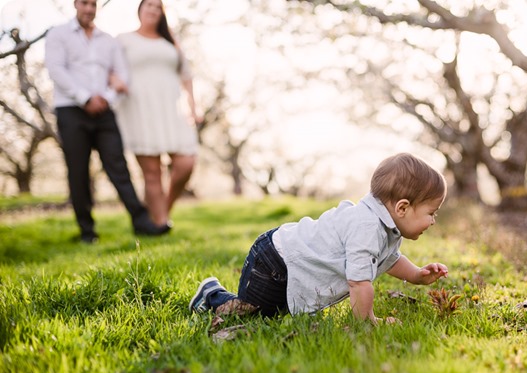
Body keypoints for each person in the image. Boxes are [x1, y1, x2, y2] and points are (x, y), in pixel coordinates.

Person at [189, 153, 450, 325]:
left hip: (284, 260)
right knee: (253, 312)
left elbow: (389, 259)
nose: (433, 221)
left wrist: (417, 275)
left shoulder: (383, 225)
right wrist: (368, 322)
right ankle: (212, 295)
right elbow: (359, 282)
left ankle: (221, 296)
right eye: (431, 213)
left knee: (277, 316)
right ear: (402, 208)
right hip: (275, 261)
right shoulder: (367, 226)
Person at [44, 0, 170, 243]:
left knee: (118, 166)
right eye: (84, 3)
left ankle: (141, 222)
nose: (89, 9)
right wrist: (86, 98)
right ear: (75, 4)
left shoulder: (109, 41)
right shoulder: (58, 35)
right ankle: (87, 231)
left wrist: (105, 99)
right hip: (71, 109)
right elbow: (56, 71)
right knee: (78, 170)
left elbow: (123, 75)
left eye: (93, 4)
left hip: (104, 111)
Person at [113, 0, 200, 227]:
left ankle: (163, 208)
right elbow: (109, 68)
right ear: (139, 9)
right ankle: (161, 225)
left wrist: (193, 108)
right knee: (152, 172)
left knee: (186, 162)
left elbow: (187, 76)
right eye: (148, 4)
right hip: (138, 109)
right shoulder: (123, 40)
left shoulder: (170, 42)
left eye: (157, 6)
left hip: (170, 109)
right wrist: (114, 81)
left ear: (162, 13)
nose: (152, 9)